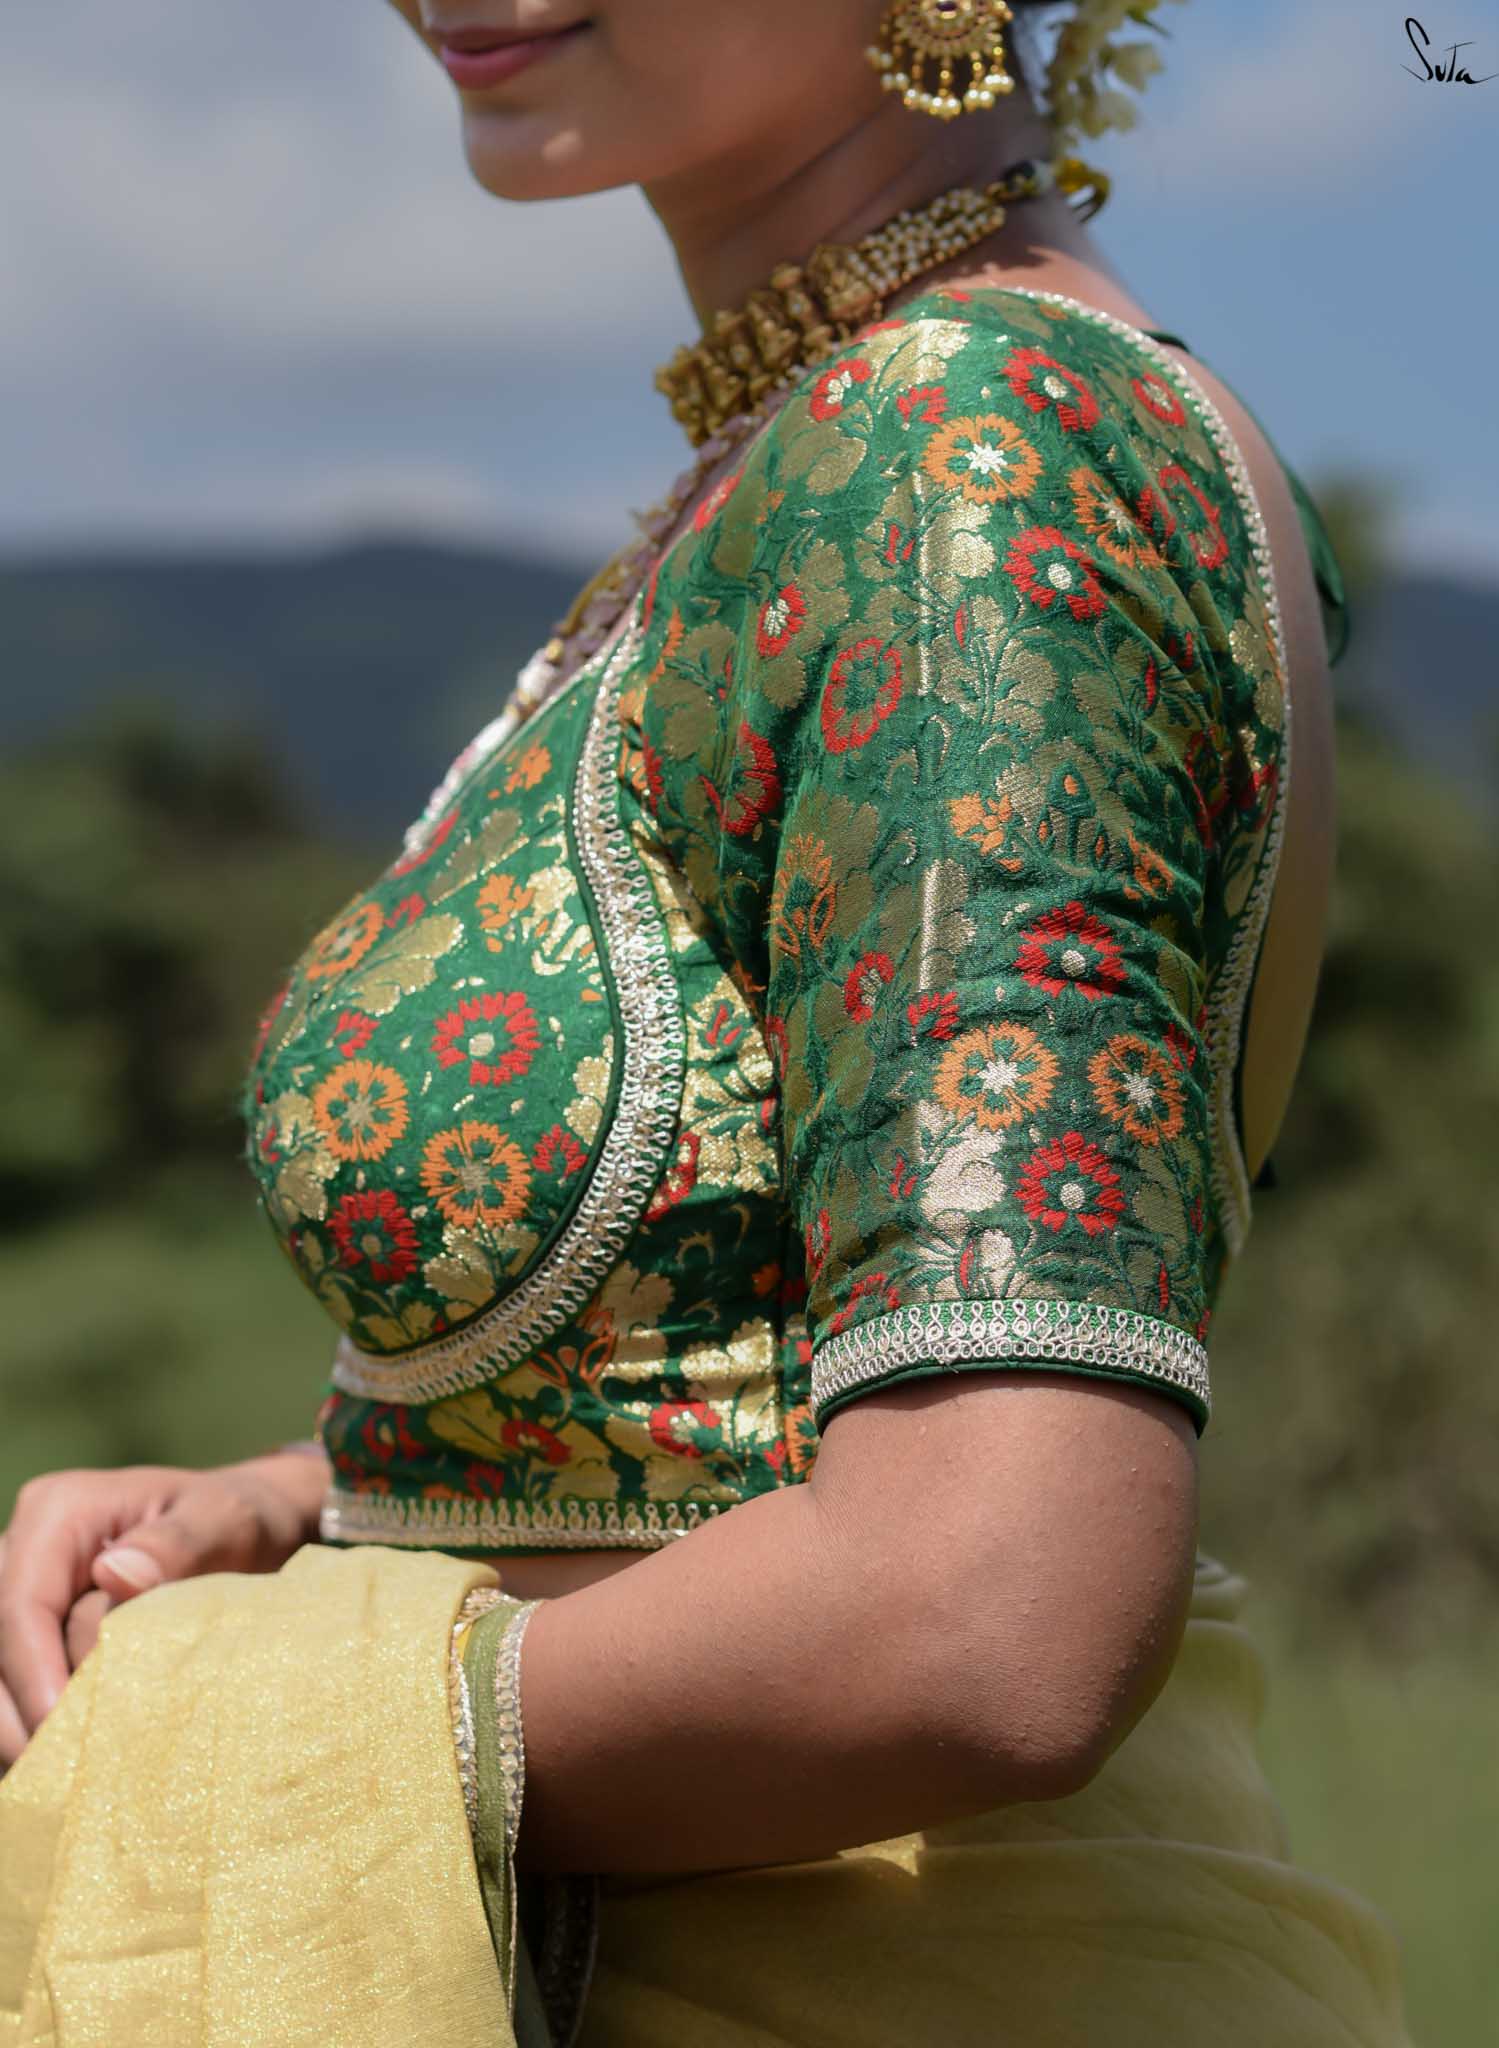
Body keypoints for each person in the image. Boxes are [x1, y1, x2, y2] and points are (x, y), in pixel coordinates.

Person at [0, 3, 1417, 2042]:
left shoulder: (964, 437)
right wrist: (311, 1507)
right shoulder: (833, 440)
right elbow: (770, 1348)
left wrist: (211, 1738)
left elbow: (985, 1606)